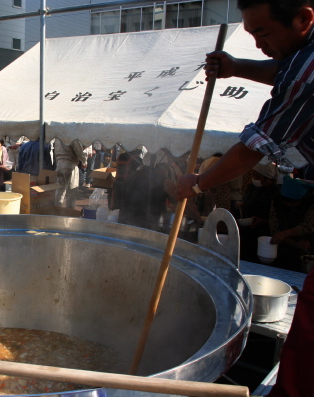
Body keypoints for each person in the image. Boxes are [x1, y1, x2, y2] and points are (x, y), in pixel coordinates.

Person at [173, 2, 314, 396]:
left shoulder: (306, 75)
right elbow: (286, 70)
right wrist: (237, 66)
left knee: (307, 345)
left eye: (264, 34)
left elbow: (254, 148)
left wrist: (198, 182)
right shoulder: (302, 60)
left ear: (304, 18)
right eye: (250, 34)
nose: (257, 44)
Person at [53, 139, 87, 209]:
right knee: (72, 191)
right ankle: (69, 212)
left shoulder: (57, 138)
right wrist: (84, 161)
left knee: (59, 190)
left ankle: (57, 210)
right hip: (70, 164)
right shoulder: (72, 135)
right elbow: (79, 151)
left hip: (59, 164)